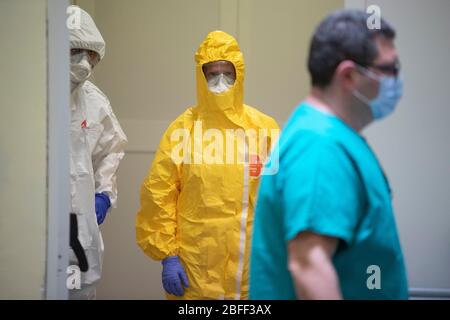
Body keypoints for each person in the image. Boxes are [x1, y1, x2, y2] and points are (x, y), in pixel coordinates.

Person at [249, 9, 408, 300]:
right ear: (349, 75)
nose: (396, 81)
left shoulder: (331, 136)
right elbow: (310, 267)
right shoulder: (319, 146)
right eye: (389, 69)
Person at [136, 30, 279, 300]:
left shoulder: (264, 129)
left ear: (240, 74)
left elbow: (282, 195)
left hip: (251, 267)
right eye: (212, 73)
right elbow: (159, 193)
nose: (220, 80)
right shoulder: (183, 129)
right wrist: (168, 254)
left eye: (227, 72)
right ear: (201, 77)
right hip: (196, 268)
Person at [68, 5, 127, 299]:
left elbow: (111, 148)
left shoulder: (95, 101)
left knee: (83, 285)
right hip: (37, 220)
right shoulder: (30, 95)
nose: (82, 62)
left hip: (81, 223)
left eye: (89, 55)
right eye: (73, 51)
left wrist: (104, 192)